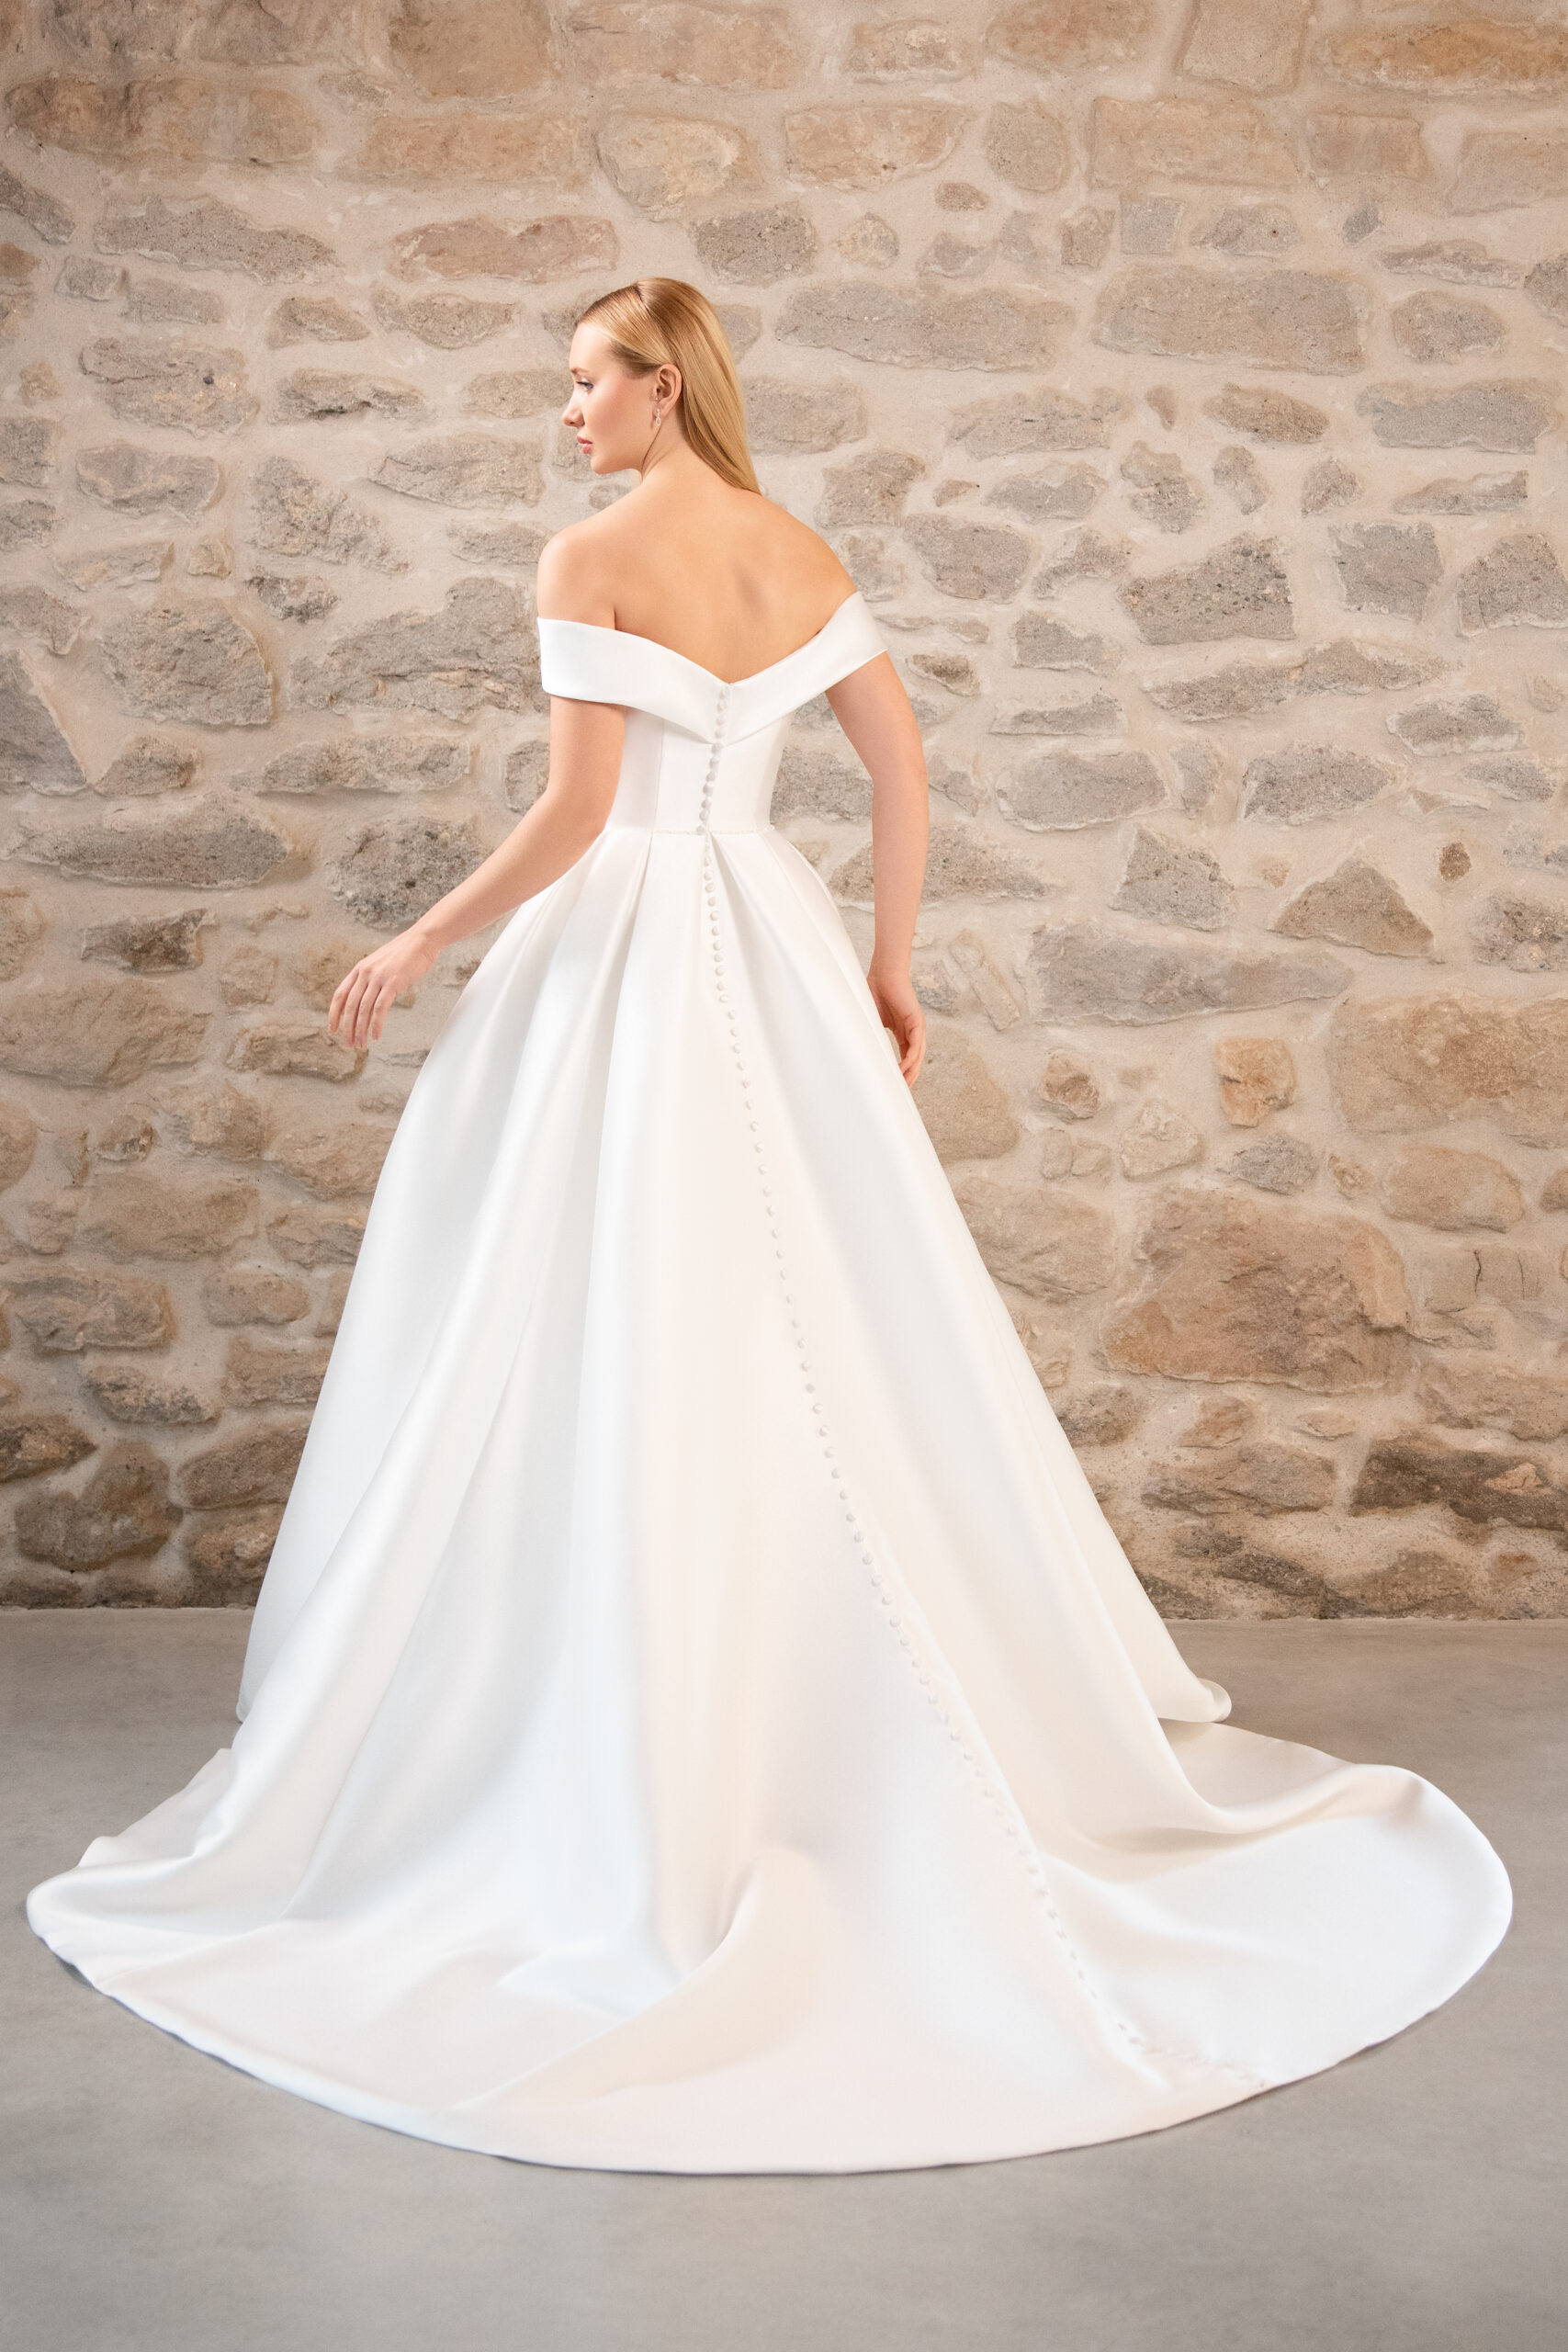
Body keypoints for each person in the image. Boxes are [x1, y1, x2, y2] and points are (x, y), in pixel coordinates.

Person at [28, 278, 1510, 2177]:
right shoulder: (798, 547)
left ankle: (623, 1718)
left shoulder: (590, 556)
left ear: (661, 387)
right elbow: (900, 763)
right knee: (814, 1309)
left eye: (585, 382)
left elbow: (579, 814)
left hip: (632, 954)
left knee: (593, 1308)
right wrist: (891, 966)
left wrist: (421, 935)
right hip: (776, 946)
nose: (565, 413)